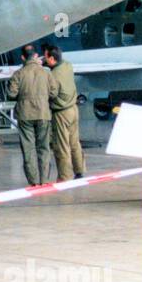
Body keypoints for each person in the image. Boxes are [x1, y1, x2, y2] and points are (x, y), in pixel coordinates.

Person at [7, 44, 56, 186]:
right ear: (36, 56)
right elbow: (54, 93)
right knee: (44, 148)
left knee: (28, 149)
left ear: (22, 57)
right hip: (43, 114)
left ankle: (33, 183)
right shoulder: (46, 73)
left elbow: (11, 94)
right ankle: (44, 181)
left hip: (25, 115)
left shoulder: (18, 74)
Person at [43, 43, 86, 181]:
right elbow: (57, 63)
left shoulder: (53, 76)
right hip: (73, 109)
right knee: (74, 142)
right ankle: (80, 170)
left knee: (61, 146)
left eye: (45, 57)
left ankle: (65, 176)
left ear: (51, 59)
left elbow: (51, 94)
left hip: (61, 113)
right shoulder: (67, 65)